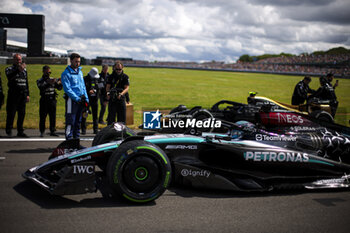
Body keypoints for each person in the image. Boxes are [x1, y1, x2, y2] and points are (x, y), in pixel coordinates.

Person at [61, 53, 89, 140]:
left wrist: (86, 98)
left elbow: (83, 86)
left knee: (78, 122)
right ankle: (69, 142)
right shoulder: (66, 73)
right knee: (71, 121)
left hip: (81, 100)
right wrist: (76, 98)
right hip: (72, 101)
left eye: (79, 62)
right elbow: (67, 89)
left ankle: (76, 142)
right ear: (71, 61)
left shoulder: (80, 72)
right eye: (76, 61)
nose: (78, 63)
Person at [5, 54, 30, 137]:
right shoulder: (9, 69)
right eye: (17, 60)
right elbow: (9, 76)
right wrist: (18, 70)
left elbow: (26, 83)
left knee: (22, 114)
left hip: (22, 95)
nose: (19, 61)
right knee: (11, 114)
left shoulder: (24, 70)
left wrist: (27, 94)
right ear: (13, 60)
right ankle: (9, 130)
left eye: (20, 60)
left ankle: (20, 131)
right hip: (13, 95)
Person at [37, 65, 62, 137]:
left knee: (53, 116)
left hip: (52, 100)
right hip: (44, 100)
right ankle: (42, 131)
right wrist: (49, 83)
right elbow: (41, 87)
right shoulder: (40, 80)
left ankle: (52, 130)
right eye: (47, 72)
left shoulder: (52, 79)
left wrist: (61, 82)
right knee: (42, 116)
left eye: (49, 72)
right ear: (43, 72)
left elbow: (59, 88)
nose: (48, 74)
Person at [81, 67, 100, 134]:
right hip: (87, 99)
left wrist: (96, 89)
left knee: (95, 115)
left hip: (95, 99)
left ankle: (95, 129)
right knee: (84, 114)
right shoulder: (85, 79)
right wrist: (88, 91)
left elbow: (100, 86)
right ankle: (83, 129)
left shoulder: (97, 79)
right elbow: (82, 88)